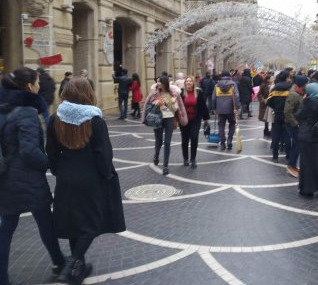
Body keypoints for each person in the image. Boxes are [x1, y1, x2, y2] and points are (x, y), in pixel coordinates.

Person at [46, 76, 125, 284]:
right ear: (87, 94)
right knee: (91, 222)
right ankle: (72, 264)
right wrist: (106, 174)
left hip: (66, 176)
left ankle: (77, 268)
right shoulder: (95, 120)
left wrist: (58, 171)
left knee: (74, 222)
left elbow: (51, 152)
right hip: (91, 178)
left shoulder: (55, 118)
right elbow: (103, 153)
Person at [0, 67, 65, 285]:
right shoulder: (27, 111)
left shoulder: (4, 108)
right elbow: (29, 151)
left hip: (6, 177)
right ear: (30, 86)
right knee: (46, 222)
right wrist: (48, 162)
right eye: (37, 82)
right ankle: (59, 263)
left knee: (6, 229)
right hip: (28, 180)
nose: (39, 86)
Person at [294, 82, 318, 197]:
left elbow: (298, 115)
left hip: (306, 136)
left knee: (306, 163)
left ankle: (307, 189)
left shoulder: (308, 103)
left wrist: (304, 101)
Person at [143, 76, 187, 175]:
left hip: (169, 119)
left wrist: (170, 102)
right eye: (157, 82)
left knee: (167, 142)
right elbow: (149, 105)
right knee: (158, 141)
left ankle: (165, 166)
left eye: (160, 82)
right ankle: (156, 155)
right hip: (157, 119)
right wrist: (156, 103)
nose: (158, 84)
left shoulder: (173, 93)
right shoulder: (155, 93)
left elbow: (176, 108)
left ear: (164, 83)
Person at [180, 75, 210, 168]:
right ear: (185, 83)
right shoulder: (181, 93)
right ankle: (185, 159)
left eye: (190, 81)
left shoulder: (198, 92)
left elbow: (203, 106)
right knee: (184, 140)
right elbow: (177, 106)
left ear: (193, 83)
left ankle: (193, 159)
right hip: (184, 120)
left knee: (194, 137)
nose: (188, 83)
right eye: (187, 81)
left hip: (195, 119)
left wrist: (206, 118)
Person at [284, 75, 309, 178]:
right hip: (292, 124)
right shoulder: (293, 94)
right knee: (297, 144)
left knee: (296, 144)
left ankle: (292, 165)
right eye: (306, 83)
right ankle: (291, 165)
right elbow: (287, 112)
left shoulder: (299, 93)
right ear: (302, 84)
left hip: (296, 123)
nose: (307, 85)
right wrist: (296, 124)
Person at [266, 71, 292, 163]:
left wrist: (276, 108)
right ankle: (288, 155)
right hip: (288, 115)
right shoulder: (291, 87)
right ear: (286, 78)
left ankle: (275, 156)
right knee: (287, 135)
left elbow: (268, 101)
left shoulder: (275, 88)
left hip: (277, 114)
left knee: (276, 135)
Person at [212, 70, 240, 150]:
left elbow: (213, 98)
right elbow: (236, 96)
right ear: (229, 76)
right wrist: (237, 107)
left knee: (221, 125)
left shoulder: (217, 85)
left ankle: (222, 142)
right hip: (231, 108)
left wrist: (214, 108)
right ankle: (229, 140)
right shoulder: (233, 84)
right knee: (232, 124)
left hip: (220, 109)